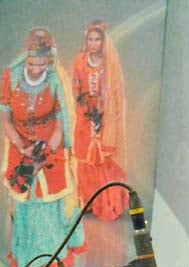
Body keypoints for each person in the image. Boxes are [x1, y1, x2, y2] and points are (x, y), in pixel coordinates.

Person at [0, 27, 86, 267]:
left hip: (51, 156)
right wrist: (23, 148)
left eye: (42, 63)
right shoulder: (11, 78)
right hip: (21, 155)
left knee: (46, 220)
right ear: (25, 58)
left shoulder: (55, 79)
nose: (36, 69)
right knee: (25, 218)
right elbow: (6, 119)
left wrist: (46, 150)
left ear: (50, 59)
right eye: (31, 63)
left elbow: (62, 122)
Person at [71, 20, 129, 220]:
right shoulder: (80, 60)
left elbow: (115, 93)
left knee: (103, 159)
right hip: (84, 117)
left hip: (105, 118)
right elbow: (75, 86)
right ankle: (87, 200)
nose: (93, 44)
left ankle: (107, 204)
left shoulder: (109, 63)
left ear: (103, 41)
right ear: (85, 41)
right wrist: (84, 103)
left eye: (97, 40)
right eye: (90, 40)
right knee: (85, 158)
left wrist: (104, 113)